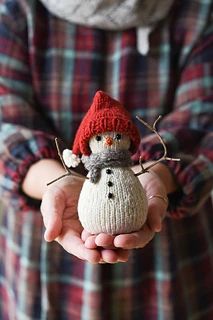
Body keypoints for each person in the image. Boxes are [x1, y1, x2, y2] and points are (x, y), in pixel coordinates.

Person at [0, 0, 212, 319]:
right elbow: (5, 121)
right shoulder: (17, 11)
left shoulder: (198, 11)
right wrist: (54, 185)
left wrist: (155, 174)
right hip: (44, 263)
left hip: (171, 261)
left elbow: (203, 118)